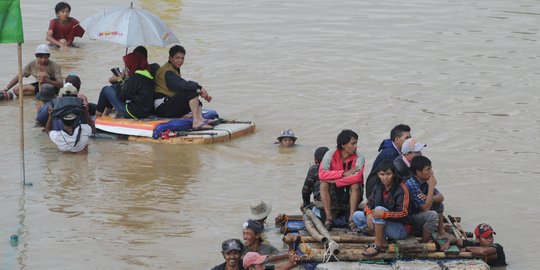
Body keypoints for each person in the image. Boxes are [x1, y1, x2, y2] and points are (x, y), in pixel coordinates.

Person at [352, 160, 410, 256]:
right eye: (382, 174)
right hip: (382, 223)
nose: (385, 177)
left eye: (388, 174)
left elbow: (404, 213)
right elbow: (369, 204)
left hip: (400, 229)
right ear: (378, 174)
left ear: (394, 174)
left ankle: (377, 244)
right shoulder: (378, 187)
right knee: (356, 216)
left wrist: (384, 214)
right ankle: (382, 240)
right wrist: (369, 213)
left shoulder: (402, 189)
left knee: (379, 209)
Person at [153, 45, 214, 130]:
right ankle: (196, 123)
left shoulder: (174, 69)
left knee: (195, 99)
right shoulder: (167, 71)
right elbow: (180, 84)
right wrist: (199, 88)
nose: (180, 61)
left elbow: (182, 85)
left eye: (182, 58)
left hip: (168, 103)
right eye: (177, 58)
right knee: (192, 93)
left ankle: (200, 119)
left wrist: (198, 89)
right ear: (170, 58)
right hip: (162, 107)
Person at [318, 129, 366, 231]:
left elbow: (356, 177)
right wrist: (343, 173)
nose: (355, 146)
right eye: (352, 143)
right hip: (335, 190)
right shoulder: (329, 154)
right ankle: (329, 218)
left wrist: (336, 181)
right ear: (343, 145)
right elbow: (322, 175)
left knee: (355, 185)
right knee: (323, 185)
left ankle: (351, 219)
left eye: (356, 143)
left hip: (352, 190)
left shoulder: (359, 157)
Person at [95, 52, 155, 119]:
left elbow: (122, 96)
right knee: (112, 87)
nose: (127, 67)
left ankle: (97, 117)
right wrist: (126, 80)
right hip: (145, 111)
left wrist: (120, 80)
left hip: (133, 112)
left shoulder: (135, 78)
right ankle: (105, 114)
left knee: (105, 89)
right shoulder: (147, 75)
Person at [404, 156, 450, 242]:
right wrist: (431, 187)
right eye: (428, 169)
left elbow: (441, 197)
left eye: (431, 168)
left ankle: (441, 232)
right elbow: (426, 208)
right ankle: (424, 242)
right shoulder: (411, 184)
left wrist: (429, 197)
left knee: (438, 204)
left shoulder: (424, 180)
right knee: (432, 215)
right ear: (418, 172)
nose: (431, 172)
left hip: (419, 214)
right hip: (409, 220)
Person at [365, 124, 411, 198]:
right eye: (406, 138)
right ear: (396, 139)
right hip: (375, 191)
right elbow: (397, 176)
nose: (409, 141)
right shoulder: (390, 153)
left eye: (410, 138)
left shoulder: (397, 150)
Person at [440, 223, 507, 267]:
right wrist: (448, 243)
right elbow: (456, 240)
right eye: (486, 238)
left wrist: (467, 249)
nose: (490, 240)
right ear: (477, 239)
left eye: (491, 237)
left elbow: (483, 252)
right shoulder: (475, 244)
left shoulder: (498, 247)